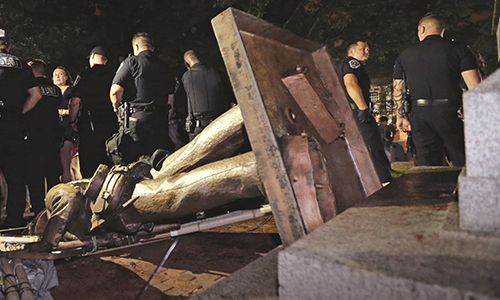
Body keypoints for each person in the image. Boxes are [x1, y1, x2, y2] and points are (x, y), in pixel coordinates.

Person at [393, 13, 482, 166]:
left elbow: (398, 89)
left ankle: (431, 189)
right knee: (464, 161)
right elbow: (475, 86)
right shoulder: (459, 49)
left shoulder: (405, 55)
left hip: (419, 114)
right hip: (448, 113)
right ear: (442, 30)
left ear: (422, 29)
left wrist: (400, 116)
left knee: (428, 165)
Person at [108, 32, 176, 165]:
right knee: (159, 163)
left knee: (130, 164)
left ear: (136, 47)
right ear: (152, 48)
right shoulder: (165, 67)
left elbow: (115, 91)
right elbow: (170, 99)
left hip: (136, 120)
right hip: (160, 121)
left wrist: (116, 107)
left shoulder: (132, 62)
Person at [0, 29, 42, 228]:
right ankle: (14, 222)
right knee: (15, 177)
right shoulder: (21, 65)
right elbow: (36, 95)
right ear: (8, 46)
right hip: (12, 125)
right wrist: (19, 113)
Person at [336, 40, 392, 184]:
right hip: (358, 113)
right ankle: (384, 182)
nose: (367, 51)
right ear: (352, 51)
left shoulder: (342, 65)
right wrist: (363, 109)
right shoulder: (352, 64)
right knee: (373, 146)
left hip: (347, 114)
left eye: (368, 49)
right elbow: (351, 83)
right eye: (363, 49)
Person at [69, 46, 118, 178]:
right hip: (111, 125)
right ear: (106, 60)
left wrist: (72, 121)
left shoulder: (85, 74)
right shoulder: (114, 75)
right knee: (110, 164)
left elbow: (75, 101)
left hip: (90, 126)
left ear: (92, 57)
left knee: (90, 167)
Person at [25, 59, 62, 215]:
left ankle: (39, 211)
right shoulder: (56, 90)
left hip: (34, 136)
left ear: (33, 72)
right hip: (53, 136)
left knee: (35, 175)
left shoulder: (30, 88)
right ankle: (56, 208)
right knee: (53, 174)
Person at [182, 50, 233, 141]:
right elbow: (229, 97)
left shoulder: (186, 77)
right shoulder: (217, 73)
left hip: (199, 127)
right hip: (221, 123)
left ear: (187, 64)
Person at [53, 66, 82, 182]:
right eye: (55, 75)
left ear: (66, 77)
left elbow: (77, 107)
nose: (57, 77)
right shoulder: (51, 91)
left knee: (67, 164)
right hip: (53, 128)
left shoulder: (71, 91)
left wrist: (65, 113)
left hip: (66, 129)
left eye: (60, 74)